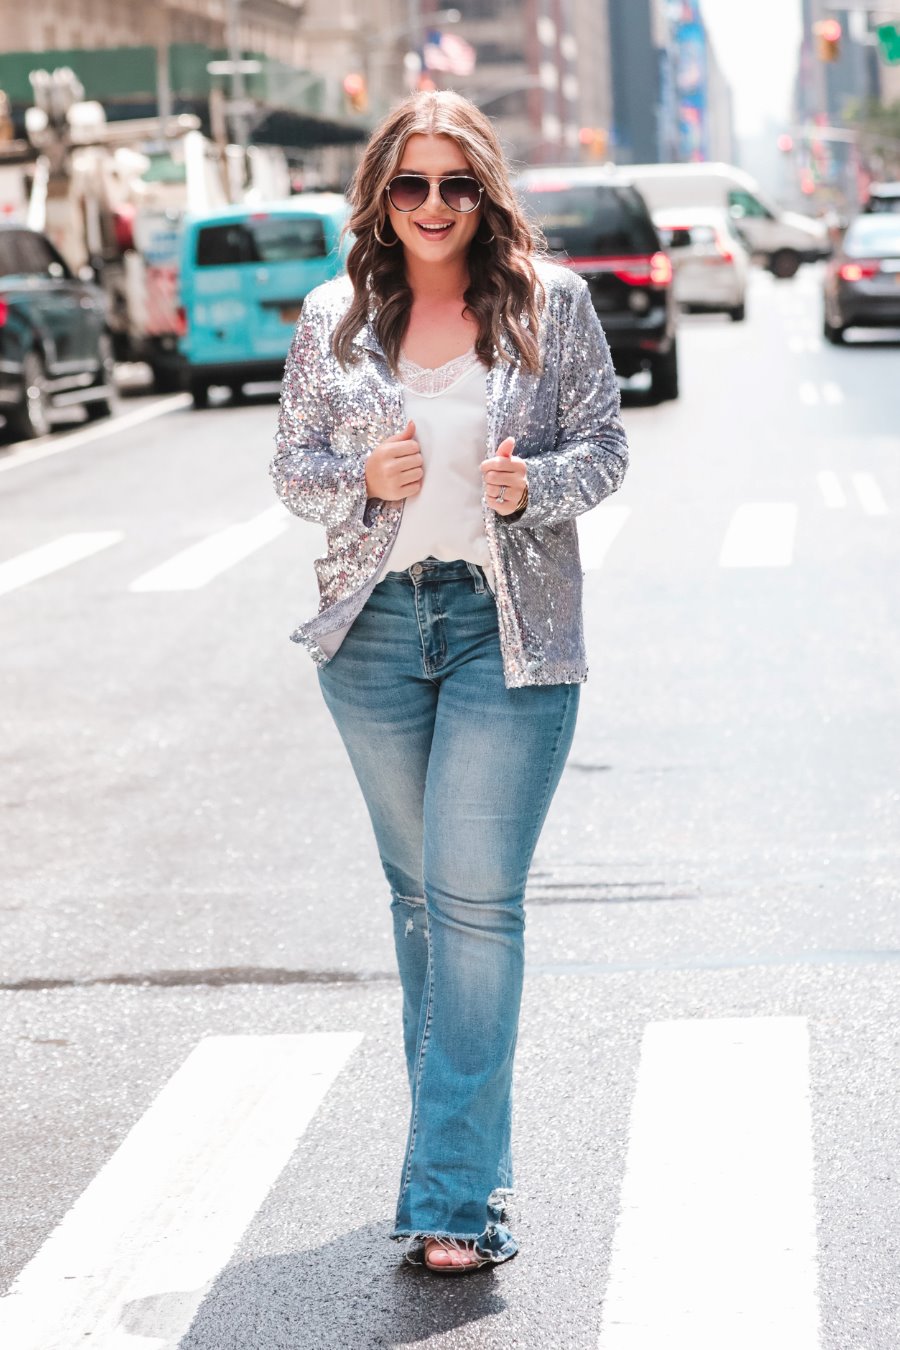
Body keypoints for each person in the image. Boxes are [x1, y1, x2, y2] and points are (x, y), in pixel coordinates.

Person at [270, 90, 628, 1274]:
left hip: (505, 630)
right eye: (413, 185)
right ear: (383, 192)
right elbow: (293, 470)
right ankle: (470, 1158)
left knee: (474, 904)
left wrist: (541, 491)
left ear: (487, 194)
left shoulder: (549, 305)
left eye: (457, 184)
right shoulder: (334, 320)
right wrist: (361, 476)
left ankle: (449, 1199)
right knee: (424, 906)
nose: (434, 206)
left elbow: (604, 448)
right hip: (373, 633)